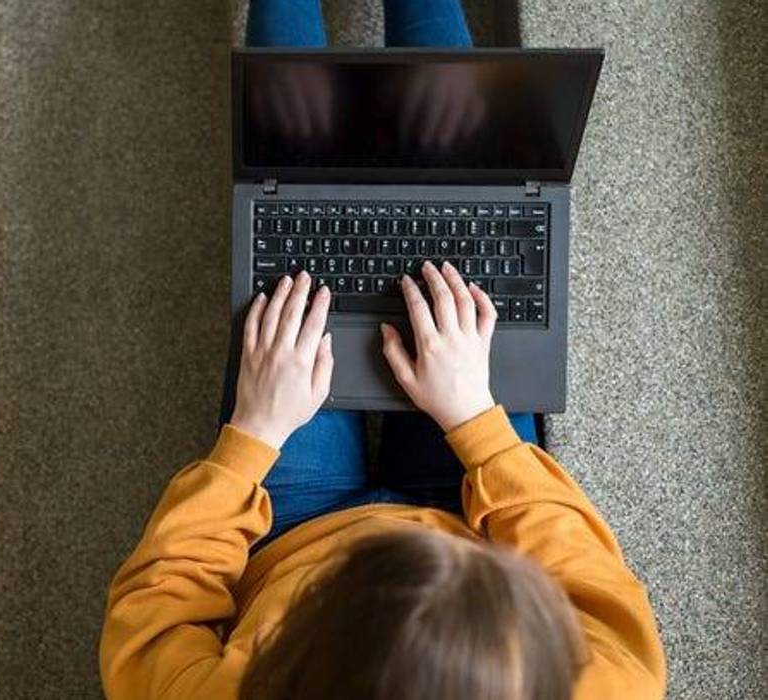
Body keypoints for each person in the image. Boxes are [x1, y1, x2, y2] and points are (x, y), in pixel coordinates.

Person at [98, 3, 666, 698]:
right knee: (466, 181)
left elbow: (155, 612)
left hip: (290, 533)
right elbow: (589, 585)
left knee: (292, 189)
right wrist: (477, 423)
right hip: (465, 500)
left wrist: (251, 435)